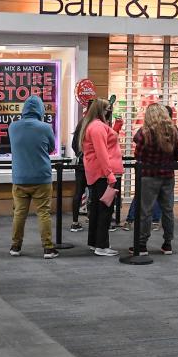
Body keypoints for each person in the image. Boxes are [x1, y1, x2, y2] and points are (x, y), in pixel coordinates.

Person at [8, 95, 58, 259]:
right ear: (40, 110)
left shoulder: (13, 127)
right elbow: (51, 148)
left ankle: (15, 246)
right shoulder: (45, 127)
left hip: (20, 178)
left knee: (19, 213)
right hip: (42, 177)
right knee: (43, 213)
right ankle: (48, 248)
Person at [133, 104, 178, 256]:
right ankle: (168, 244)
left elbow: (139, 155)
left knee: (145, 211)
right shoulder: (173, 131)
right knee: (168, 210)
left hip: (148, 176)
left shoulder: (144, 133)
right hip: (168, 176)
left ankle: (142, 245)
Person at [81, 98, 122, 256]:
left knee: (98, 209)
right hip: (103, 174)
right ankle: (102, 245)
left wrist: (116, 128)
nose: (110, 112)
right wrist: (110, 175)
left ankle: (95, 242)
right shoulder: (97, 127)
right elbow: (102, 152)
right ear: (102, 110)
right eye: (108, 109)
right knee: (105, 210)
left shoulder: (94, 125)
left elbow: (106, 145)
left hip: (99, 173)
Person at [69, 119, 88, 232]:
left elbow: (73, 145)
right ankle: (93, 218)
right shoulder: (93, 126)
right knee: (95, 192)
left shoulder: (80, 127)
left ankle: (74, 222)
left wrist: (79, 154)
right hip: (92, 164)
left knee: (78, 192)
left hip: (80, 164)